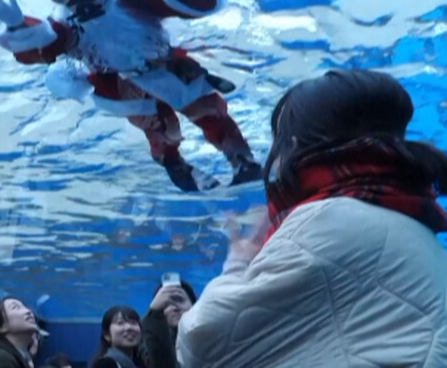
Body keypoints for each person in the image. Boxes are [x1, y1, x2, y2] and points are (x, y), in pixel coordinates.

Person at [177, 69, 447, 367]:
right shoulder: (412, 223)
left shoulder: (327, 220)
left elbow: (202, 342)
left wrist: (239, 262)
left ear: (293, 145)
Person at [0, 0, 260, 191]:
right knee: (159, 128)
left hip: (168, 67)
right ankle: (173, 162)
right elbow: (46, 43)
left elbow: (185, 5)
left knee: (208, 111)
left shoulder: (129, 0)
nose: (76, 2)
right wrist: (20, 27)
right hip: (123, 85)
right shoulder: (67, 27)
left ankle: (242, 162)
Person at [142, 279, 195, 368]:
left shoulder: (209, 337)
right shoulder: (145, 343)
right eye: (166, 304)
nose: (174, 308)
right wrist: (154, 315)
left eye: (180, 300)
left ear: (194, 305)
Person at [0, 297, 41, 368]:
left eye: (25, 307)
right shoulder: (2, 359)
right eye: (15, 307)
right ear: (2, 326)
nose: (28, 311)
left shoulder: (17, 358)